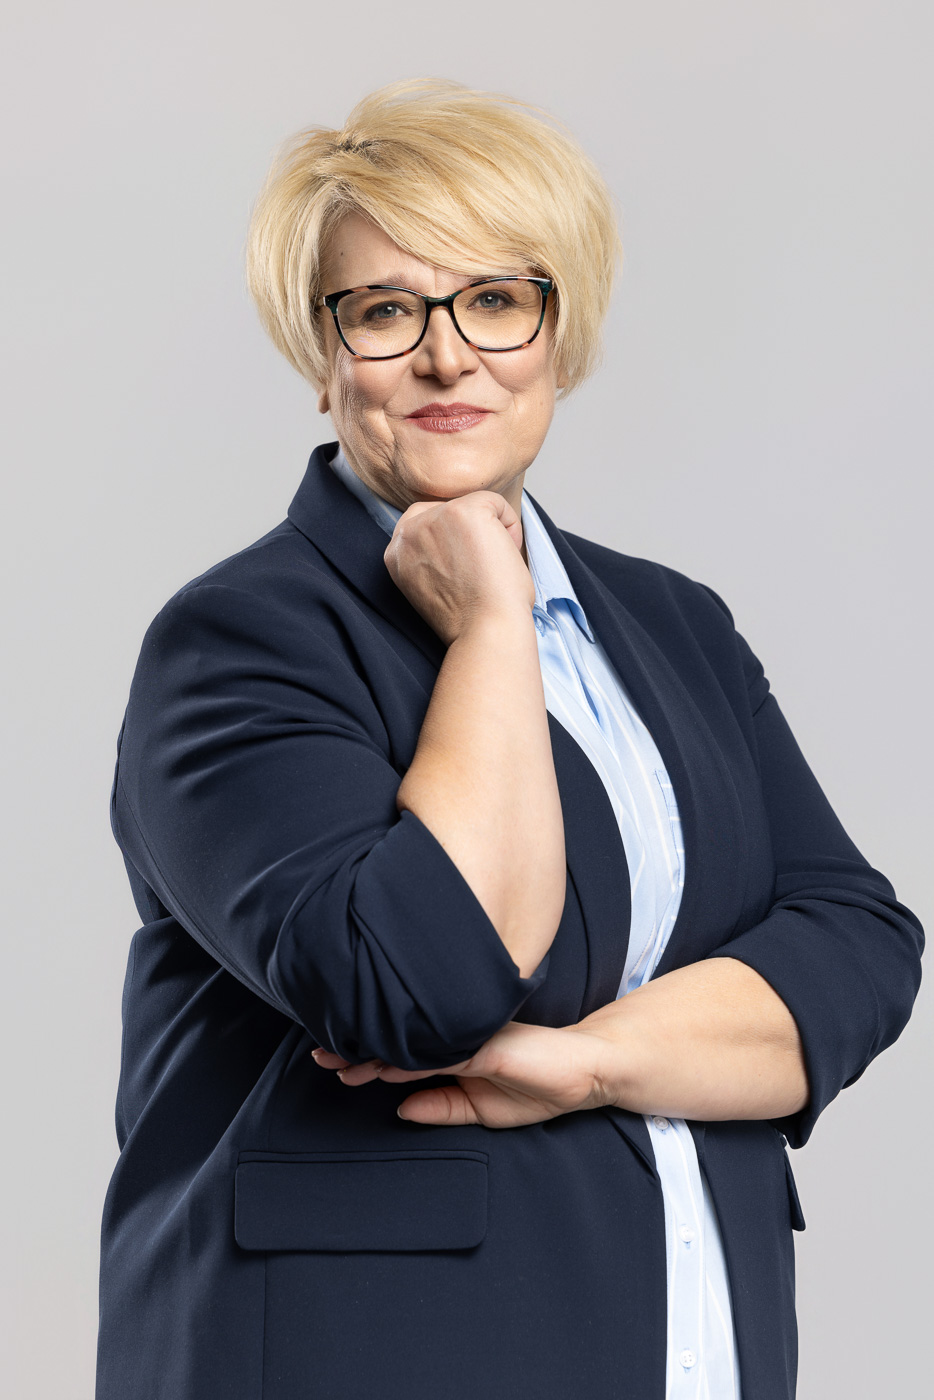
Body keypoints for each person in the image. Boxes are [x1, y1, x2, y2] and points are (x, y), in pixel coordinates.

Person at [96, 79, 923, 1400]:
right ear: (319, 354)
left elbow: (856, 947)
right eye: (384, 310)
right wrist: (491, 624)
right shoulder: (238, 640)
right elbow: (420, 984)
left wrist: (587, 1065)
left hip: (688, 1344)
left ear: (559, 332)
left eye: (495, 300)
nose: (448, 357)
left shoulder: (673, 624)